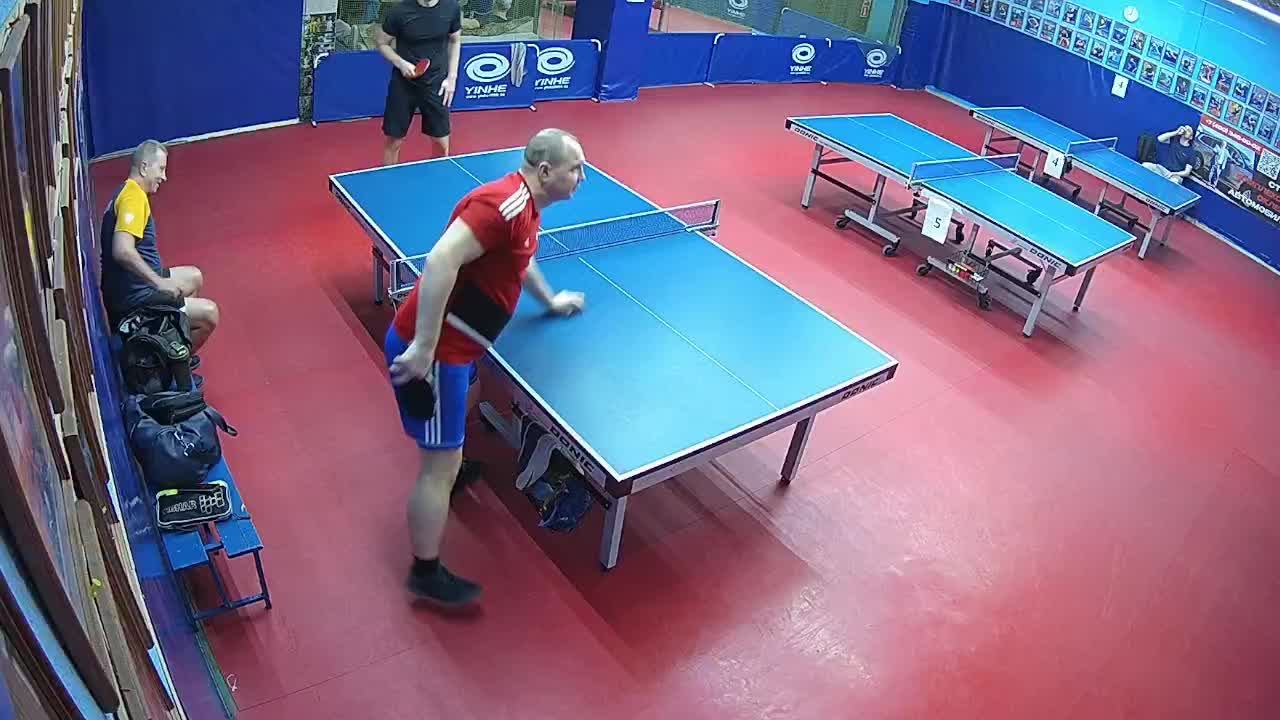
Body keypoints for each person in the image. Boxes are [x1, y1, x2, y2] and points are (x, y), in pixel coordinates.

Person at [384, 128, 587, 608]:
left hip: (458, 349)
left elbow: (520, 261)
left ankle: (451, 470)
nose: (582, 177)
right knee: (438, 467)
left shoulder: (527, 209)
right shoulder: (503, 206)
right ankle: (425, 572)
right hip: (438, 356)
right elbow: (440, 260)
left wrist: (550, 300)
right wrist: (425, 347)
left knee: (457, 433)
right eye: (576, 168)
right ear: (545, 171)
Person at [100, 140, 219, 352]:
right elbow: (122, 250)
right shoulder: (133, 198)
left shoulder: (129, 191)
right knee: (210, 313)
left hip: (134, 284)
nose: (164, 177)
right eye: (161, 169)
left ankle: (170, 337)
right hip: (134, 296)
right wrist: (159, 282)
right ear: (144, 168)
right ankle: (170, 360)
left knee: (194, 276)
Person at [375, 0, 463, 165]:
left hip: (436, 83)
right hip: (404, 84)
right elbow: (381, 43)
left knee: (441, 142)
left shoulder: (451, 7)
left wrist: (452, 77)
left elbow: (455, 40)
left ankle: (437, 177)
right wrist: (400, 63)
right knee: (394, 141)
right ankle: (388, 178)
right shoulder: (399, 11)